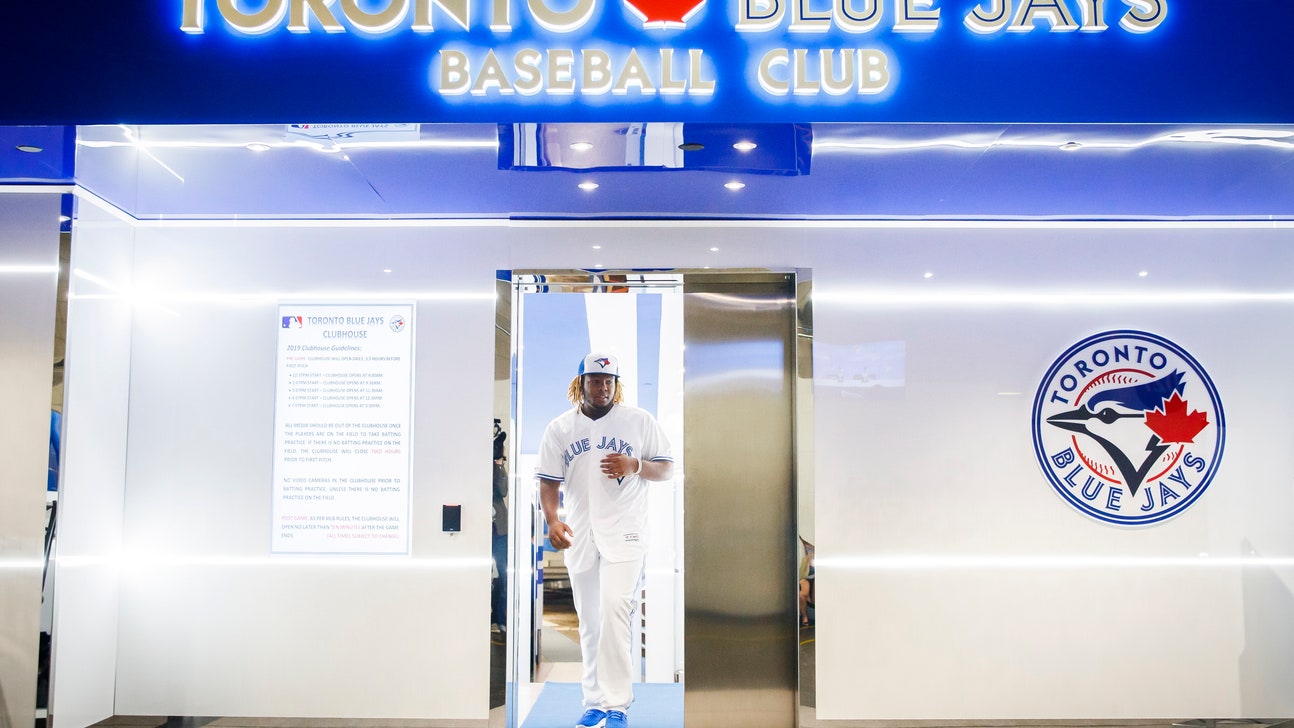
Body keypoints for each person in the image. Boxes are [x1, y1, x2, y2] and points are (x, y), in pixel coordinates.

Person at [537, 353, 673, 728]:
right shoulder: (560, 428)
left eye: (609, 380)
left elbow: (667, 467)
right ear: (581, 382)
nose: (602, 387)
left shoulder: (638, 421)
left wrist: (636, 466)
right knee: (590, 622)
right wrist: (552, 520)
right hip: (581, 535)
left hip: (626, 535)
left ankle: (618, 705)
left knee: (615, 610)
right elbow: (548, 481)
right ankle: (594, 701)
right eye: (595, 380)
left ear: (617, 384)